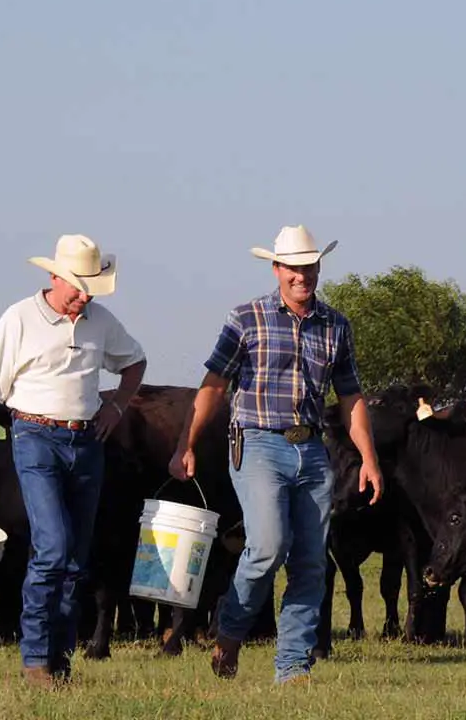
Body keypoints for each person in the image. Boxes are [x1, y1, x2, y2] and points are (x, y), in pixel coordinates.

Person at [168, 223, 383, 685]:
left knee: (310, 560)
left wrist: (368, 457)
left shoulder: (336, 325)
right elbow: (213, 386)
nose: (302, 276)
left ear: (318, 268)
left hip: (312, 447)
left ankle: (293, 666)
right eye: (293, 268)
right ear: (277, 268)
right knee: (267, 547)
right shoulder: (246, 318)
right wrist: (186, 443)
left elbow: (351, 397)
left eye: (309, 267)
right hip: (257, 442)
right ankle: (229, 630)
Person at [0, 233, 146, 686]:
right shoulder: (18, 318)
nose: (83, 297)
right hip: (34, 437)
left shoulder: (101, 321)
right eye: (77, 287)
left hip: (85, 444)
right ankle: (36, 658)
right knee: (54, 548)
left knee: (77, 559)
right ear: (54, 276)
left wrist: (116, 407)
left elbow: (135, 362)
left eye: (91, 289)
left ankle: (59, 662)